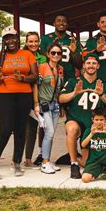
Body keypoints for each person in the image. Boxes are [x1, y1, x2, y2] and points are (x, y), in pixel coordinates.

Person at [0, 27, 38, 179]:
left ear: (18, 38)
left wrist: (22, 78)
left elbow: (35, 76)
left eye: (13, 37)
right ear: (4, 41)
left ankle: (17, 163)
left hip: (24, 95)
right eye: (7, 38)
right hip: (4, 96)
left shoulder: (27, 54)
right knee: (6, 129)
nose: (11, 41)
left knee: (20, 130)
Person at [59, 53, 106, 179]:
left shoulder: (102, 83)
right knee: (72, 129)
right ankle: (73, 164)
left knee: (86, 163)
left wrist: (101, 95)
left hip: (93, 125)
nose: (91, 66)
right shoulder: (74, 81)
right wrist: (74, 93)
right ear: (83, 65)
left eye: (94, 63)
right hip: (76, 119)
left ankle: (73, 156)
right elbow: (61, 99)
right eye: (88, 63)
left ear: (98, 66)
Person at [35, 42, 64, 174]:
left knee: (50, 135)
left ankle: (47, 160)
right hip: (44, 104)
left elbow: (59, 89)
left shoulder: (60, 69)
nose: (56, 55)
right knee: (49, 132)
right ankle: (44, 162)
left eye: (58, 53)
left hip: (56, 105)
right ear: (48, 54)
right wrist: (36, 104)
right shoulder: (41, 67)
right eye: (53, 53)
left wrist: (61, 105)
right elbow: (35, 86)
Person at [23, 31, 46, 168]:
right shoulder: (21, 56)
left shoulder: (43, 58)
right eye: (30, 41)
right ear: (26, 43)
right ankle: (26, 159)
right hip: (25, 96)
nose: (33, 44)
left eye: (36, 41)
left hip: (41, 96)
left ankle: (42, 156)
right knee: (27, 129)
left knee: (42, 128)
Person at [81, 108, 106, 183]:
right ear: (93, 120)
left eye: (101, 120)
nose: (99, 122)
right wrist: (91, 134)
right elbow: (83, 145)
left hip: (105, 157)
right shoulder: (89, 131)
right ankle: (102, 172)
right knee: (85, 179)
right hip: (94, 161)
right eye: (97, 120)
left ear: (105, 120)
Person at [40, 14, 82, 80]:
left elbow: (79, 65)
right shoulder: (45, 38)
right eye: (58, 21)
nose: (61, 23)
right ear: (54, 24)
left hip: (69, 78)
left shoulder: (73, 41)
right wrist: (52, 47)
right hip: (50, 78)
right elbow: (42, 60)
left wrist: (73, 52)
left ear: (67, 24)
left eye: (64, 21)